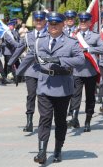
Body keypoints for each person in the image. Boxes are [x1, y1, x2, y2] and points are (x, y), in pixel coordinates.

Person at [16, 12, 85, 164]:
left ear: (62, 25)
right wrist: (18, 72)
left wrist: (60, 60)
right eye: (51, 24)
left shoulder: (71, 42)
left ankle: (58, 150)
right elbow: (30, 57)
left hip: (62, 86)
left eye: (56, 24)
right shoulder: (40, 41)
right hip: (45, 84)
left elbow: (81, 59)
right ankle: (42, 152)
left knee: (60, 121)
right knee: (45, 119)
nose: (53, 27)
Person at [8, 11, 47, 133]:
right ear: (34, 22)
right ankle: (29, 121)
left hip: (45, 71)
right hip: (31, 70)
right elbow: (19, 49)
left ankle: (44, 120)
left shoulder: (49, 34)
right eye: (37, 20)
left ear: (45, 21)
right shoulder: (28, 35)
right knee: (31, 95)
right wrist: (10, 65)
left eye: (41, 20)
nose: (39, 22)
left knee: (43, 97)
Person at [67, 12, 103, 132]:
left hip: (90, 72)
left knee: (90, 97)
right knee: (75, 96)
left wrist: (89, 49)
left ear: (90, 23)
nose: (83, 23)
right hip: (77, 71)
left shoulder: (95, 36)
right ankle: (74, 117)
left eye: (85, 21)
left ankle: (88, 120)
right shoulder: (74, 35)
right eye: (81, 21)